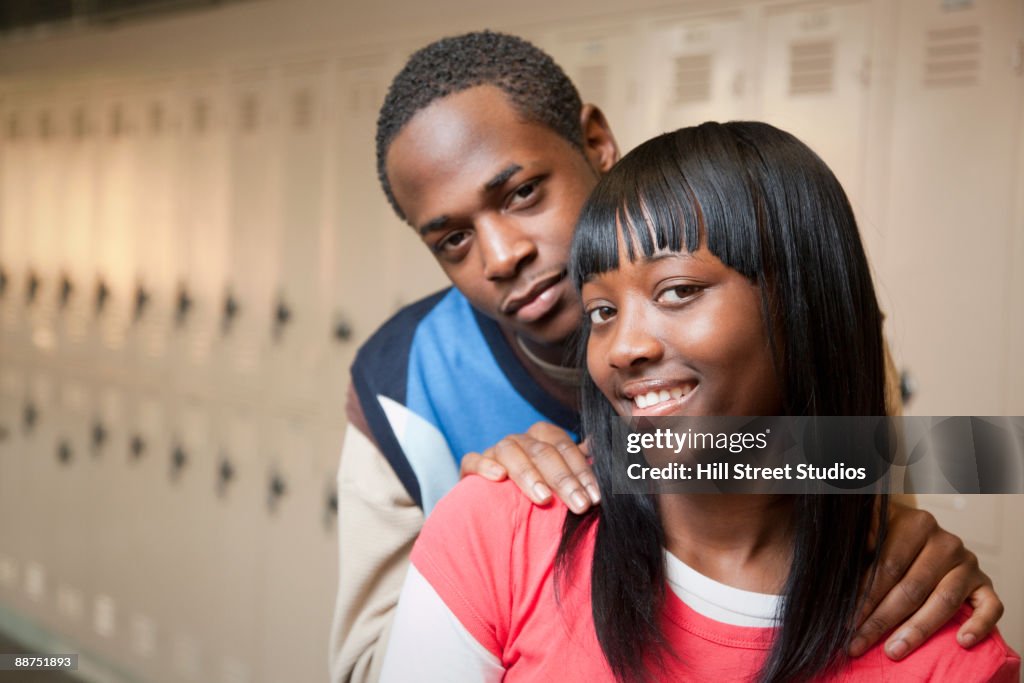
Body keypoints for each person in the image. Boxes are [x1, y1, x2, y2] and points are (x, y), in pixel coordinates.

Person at [329, 31, 1003, 683]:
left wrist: (911, 551)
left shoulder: (790, 330)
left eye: (523, 193)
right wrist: (485, 540)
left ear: (595, 143)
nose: (503, 255)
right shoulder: (398, 384)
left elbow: (858, 520)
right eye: (452, 239)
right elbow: (366, 665)